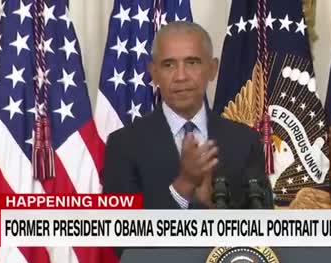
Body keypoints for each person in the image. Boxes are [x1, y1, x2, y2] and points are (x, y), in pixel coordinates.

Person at [102, 21, 272, 210]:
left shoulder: (243, 141)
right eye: (169, 65)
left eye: (192, 62)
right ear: (154, 73)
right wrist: (184, 186)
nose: (181, 76)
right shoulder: (123, 145)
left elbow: (262, 230)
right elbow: (121, 232)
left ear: (212, 69)